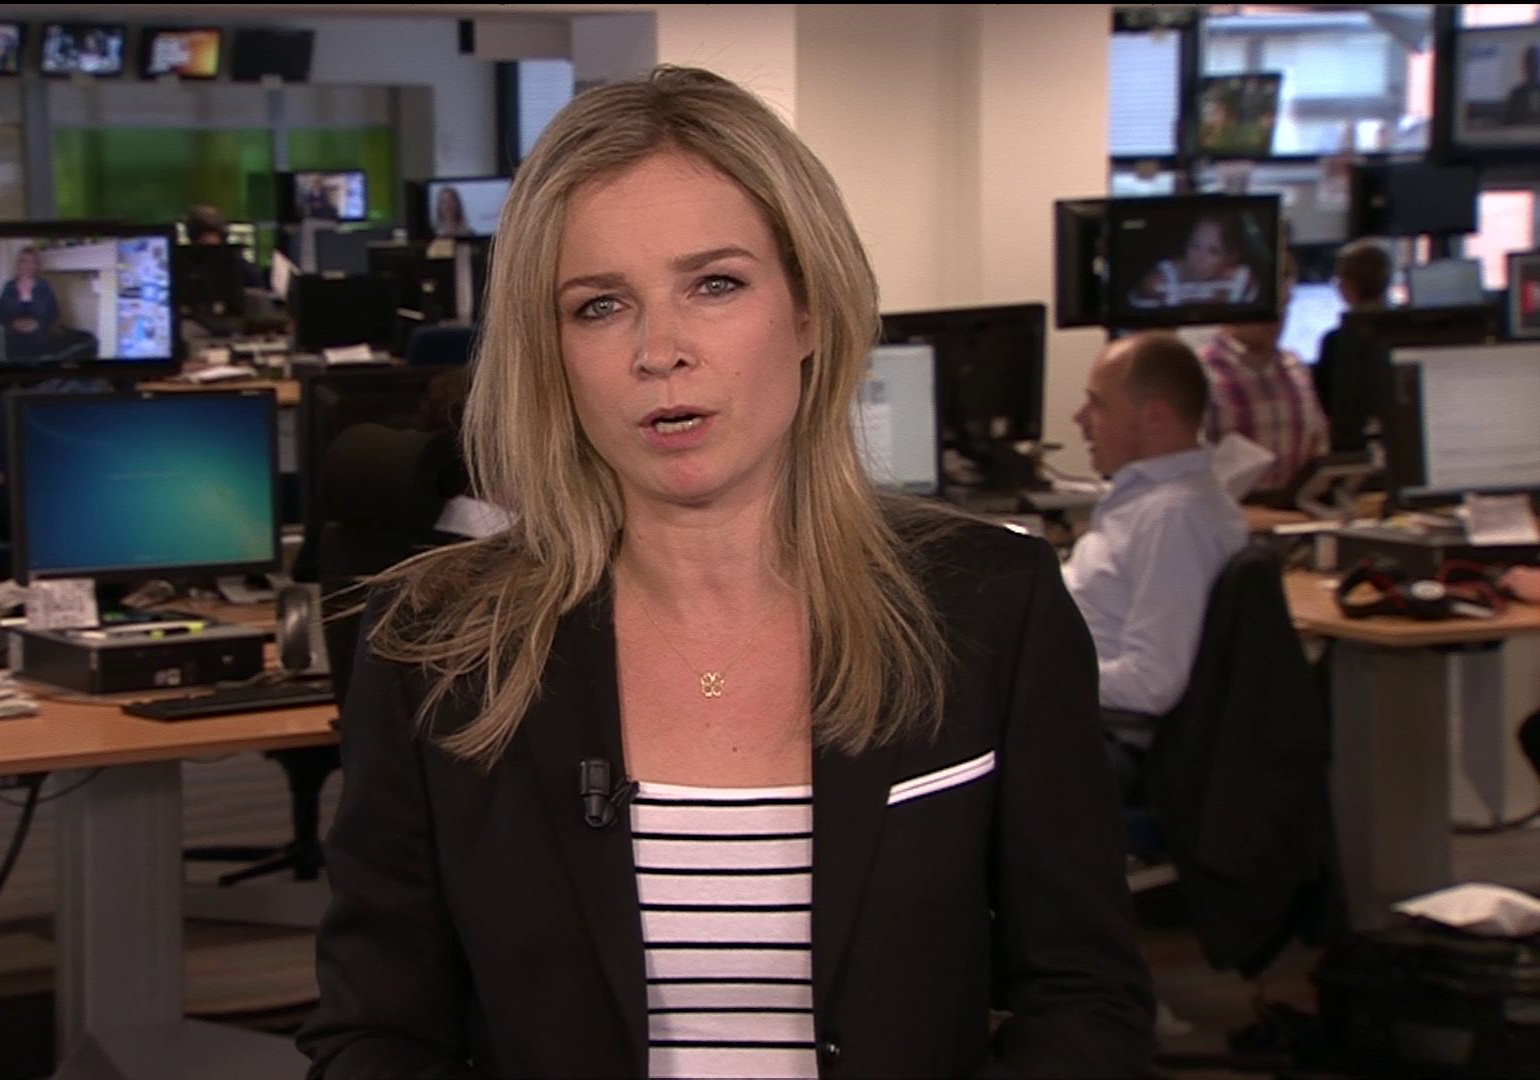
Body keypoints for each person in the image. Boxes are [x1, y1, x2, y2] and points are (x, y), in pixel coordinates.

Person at [298, 66, 1153, 1079]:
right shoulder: (434, 646)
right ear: (550, 352)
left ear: (809, 309)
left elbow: (1084, 996)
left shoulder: (992, 607)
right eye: (600, 305)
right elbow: (378, 1031)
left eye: (715, 285)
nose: (661, 351)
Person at [1064, 333, 1249, 801]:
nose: (1080, 419)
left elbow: (1152, 683)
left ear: (1154, 417)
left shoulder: (1173, 518)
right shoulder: (1152, 503)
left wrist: (1037, 674)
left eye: (1097, 404)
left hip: (1110, 740)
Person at [1198, 253, 1328, 495]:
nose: (1276, 317)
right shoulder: (1200, 375)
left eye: (1284, 305)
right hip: (1228, 514)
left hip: (1292, 512)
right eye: (1265, 304)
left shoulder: (1296, 369)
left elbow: (1317, 444)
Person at [1316, 239, 1394, 451]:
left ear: (1347, 285)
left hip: (1350, 449)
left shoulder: (1335, 343)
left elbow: (1323, 408)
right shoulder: (1405, 334)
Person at [1129, 214, 1261, 310]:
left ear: (1231, 257)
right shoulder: (1156, 283)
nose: (1199, 258)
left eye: (1213, 251)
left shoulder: (1244, 283)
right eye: (1194, 245)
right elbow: (1139, 335)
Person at [0, 247, 60, 361]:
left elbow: (54, 313)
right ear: (18, 264)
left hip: (39, 344)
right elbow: (0, 314)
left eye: (33, 261)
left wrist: (38, 324)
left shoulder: (45, 286)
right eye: (25, 261)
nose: (29, 266)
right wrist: (13, 323)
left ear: (37, 265)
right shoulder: (8, 286)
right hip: (14, 345)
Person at [185, 204, 261, 288]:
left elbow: (258, 290)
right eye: (205, 248)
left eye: (215, 248)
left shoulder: (238, 265)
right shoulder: (184, 267)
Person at [1505, 45, 1540, 127]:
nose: (1532, 67)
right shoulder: (1516, 94)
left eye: (1535, 62)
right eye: (1529, 63)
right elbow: (1507, 121)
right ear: (1524, 65)